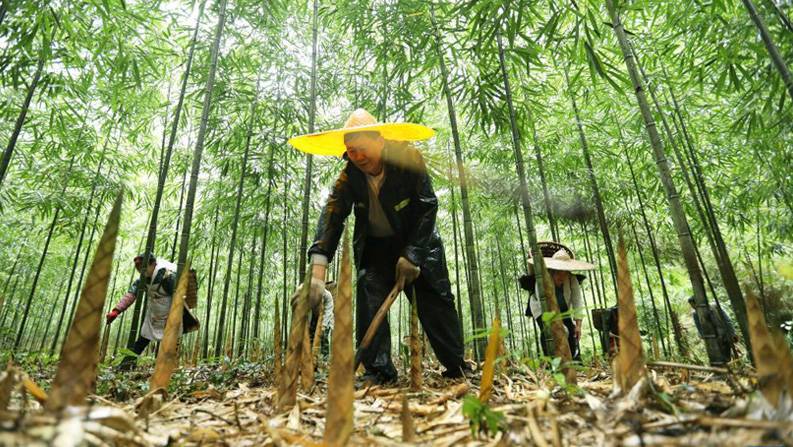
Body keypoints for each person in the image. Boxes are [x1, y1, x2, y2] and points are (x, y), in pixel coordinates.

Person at [288, 108, 466, 385]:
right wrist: (317, 275)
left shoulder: (408, 160)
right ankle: (379, 371)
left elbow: (427, 205)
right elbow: (332, 217)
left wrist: (413, 254)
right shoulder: (349, 177)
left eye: (361, 149)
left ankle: (457, 366)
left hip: (420, 243)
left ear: (380, 142)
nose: (357, 157)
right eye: (350, 151)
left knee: (436, 302)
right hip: (376, 249)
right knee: (370, 292)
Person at [106, 253, 197, 367]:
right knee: (142, 340)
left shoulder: (167, 277)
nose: (140, 271)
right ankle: (126, 365)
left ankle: (165, 370)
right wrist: (116, 311)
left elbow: (177, 298)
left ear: (153, 264)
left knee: (170, 345)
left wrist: (175, 316)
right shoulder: (142, 280)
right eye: (138, 268)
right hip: (153, 315)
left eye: (143, 267)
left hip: (170, 315)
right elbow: (131, 294)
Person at [519, 242, 595, 361]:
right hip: (542, 309)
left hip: (563, 309)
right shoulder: (542, 280)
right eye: (558, 272)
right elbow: (544, 302)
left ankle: (574, 361)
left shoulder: (572, 279)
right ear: (552, 270)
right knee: (549, 333)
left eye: (565, 272)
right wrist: (558, 326)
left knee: (571, 331)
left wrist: (579, 325)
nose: (562, 276)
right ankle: (551, 362)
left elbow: (577, 301)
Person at [688, 297, 738, 363]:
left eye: (693, 305)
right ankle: (723, 368)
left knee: (726, 354)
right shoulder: (696, 314)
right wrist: (704, 337)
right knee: (717, 357)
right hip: (711, 338)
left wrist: (732, 333)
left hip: (723, 334)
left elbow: (727, 320)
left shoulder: (714, 307)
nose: (693, 307)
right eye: (692, 306)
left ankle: (727, 367)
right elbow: (699, 327)